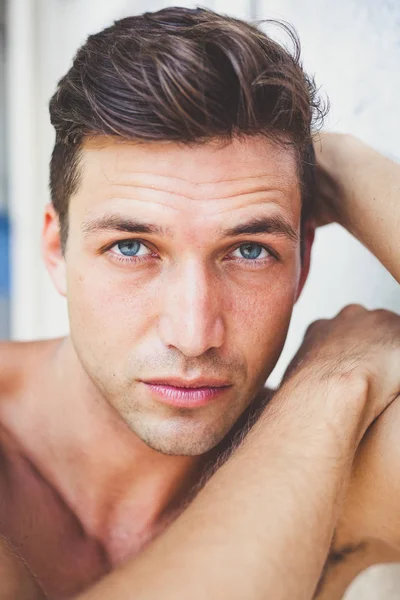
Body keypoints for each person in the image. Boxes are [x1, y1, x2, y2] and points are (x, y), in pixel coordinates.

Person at [0, 6, 399, 600]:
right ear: (56, 250)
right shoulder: (323, 437)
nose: (193, 334)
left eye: (250, 250)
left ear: (303, 263)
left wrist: (343, 164)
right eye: (132, 246)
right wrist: (331, 385)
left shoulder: (346, 464)